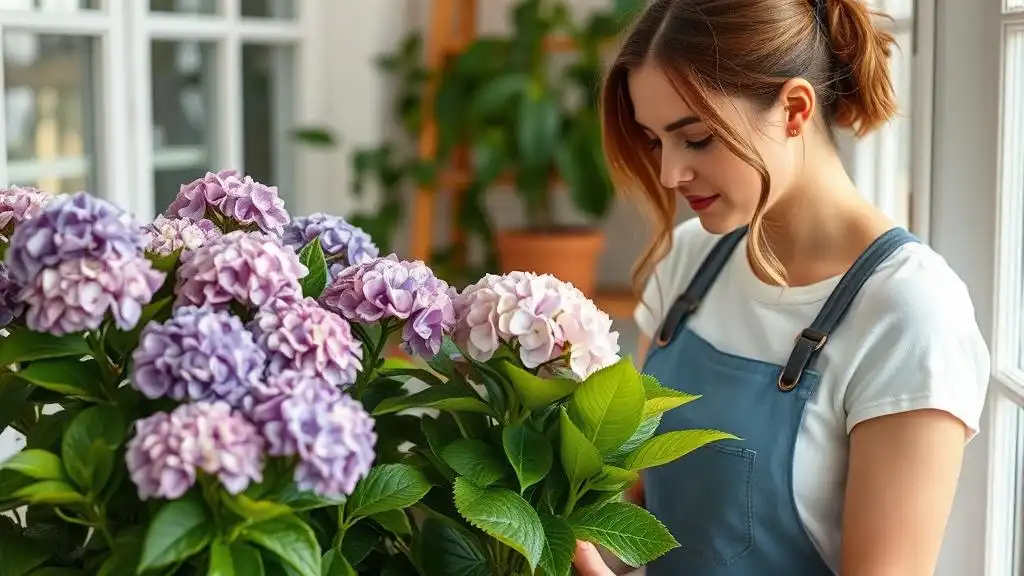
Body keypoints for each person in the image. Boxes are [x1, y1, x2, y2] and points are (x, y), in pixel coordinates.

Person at [571, 0, 991, 575]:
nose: (670, 174)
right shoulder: (693, 258)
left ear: (794, 109)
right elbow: (642, 501)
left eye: (695, 139)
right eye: (654, 140)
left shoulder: (910, 313)